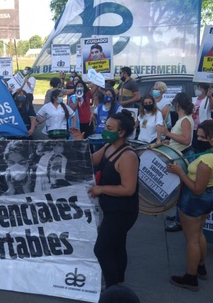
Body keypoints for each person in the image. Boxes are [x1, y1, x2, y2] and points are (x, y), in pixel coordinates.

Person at [72, 110, 139, 290]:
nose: (104, 130)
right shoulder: (109, 146)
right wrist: (80, 143)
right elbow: (93, 160)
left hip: (123, 212)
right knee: (117, 244)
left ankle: (111, 289)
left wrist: (101, 189)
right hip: (111, 209)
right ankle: (117, 281)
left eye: (109, 128)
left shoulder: (128, 156)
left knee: (101, 249)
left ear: (121, 132)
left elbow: (128, 188)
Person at [167, 120, 213, 291]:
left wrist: (180, 172)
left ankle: (190, 277)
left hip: (195, 200)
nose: (198, 139)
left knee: (192, 240)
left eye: (202, 137)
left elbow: (197, 189)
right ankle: (201, 266)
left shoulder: (207, 160)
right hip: (210, 196)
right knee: (199, 233)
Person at [158, 92, 194, 232]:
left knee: (182, 191)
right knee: (178, 190)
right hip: (179, 154)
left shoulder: (185, 119)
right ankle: (178, 216)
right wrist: (170, 140)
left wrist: (167, 133)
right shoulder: (183, 119)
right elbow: (180, 138)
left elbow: (186, 140)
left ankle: (180, 221)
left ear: (177, 104)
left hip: (183, 157)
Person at [192, 83, 213, 153]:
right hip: (193, 127)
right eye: (198, 88)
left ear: (205, 90)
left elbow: (212, 107)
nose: (198, 90)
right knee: (194, 145)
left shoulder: (209, 99)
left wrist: (210, 97)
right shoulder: (193, 99)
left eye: (200, 88)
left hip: (204, 127)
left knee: (202, 146)